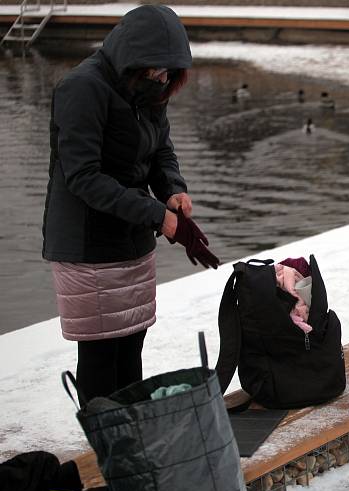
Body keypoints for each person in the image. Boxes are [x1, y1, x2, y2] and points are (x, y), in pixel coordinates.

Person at [42, 5, 220, 402]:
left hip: (132, 240)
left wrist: (172, 189)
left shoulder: (150, 88)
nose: (163, 79)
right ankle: (108, 445)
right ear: (132, 57)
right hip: (89, 245)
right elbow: (84, 178)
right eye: (156, 70)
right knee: (101, 357)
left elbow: (161, 151)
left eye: (169, 72)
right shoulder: (82, 89)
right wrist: (158, 216)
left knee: (132, 348)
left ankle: (136, 436)